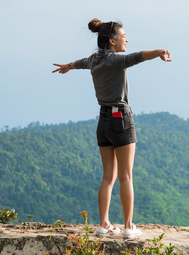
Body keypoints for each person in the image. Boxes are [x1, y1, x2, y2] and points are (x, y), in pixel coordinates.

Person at [52, 18, 171, 239]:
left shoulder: (94, 60)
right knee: (125, 176)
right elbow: (139, 56)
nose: (127, 39)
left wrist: (67, 67)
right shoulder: (116, 61)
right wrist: (159, 51)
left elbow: (79, 63)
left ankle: (104, 224)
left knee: (108, 177)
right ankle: (128, 227)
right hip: (121, 118)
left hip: (103, 120)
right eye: (124, 36)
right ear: (112, 41)